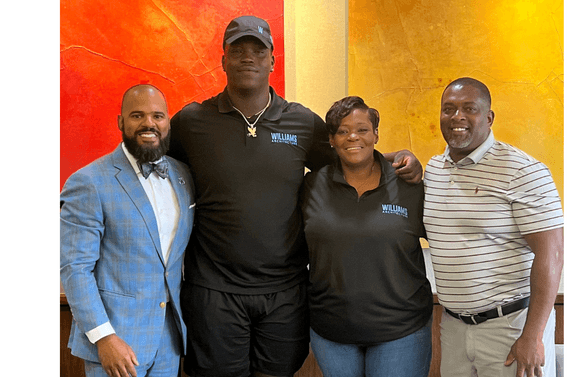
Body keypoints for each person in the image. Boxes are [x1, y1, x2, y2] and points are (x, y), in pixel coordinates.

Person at [168, 15, 423, 377]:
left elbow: (350, 160)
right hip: (214, 291)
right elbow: (153, 168)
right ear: (223, 60)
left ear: (273, 61)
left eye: (258, 51)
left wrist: (400, 159)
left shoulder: (301, 122)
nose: (248, 58)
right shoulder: (192, 121)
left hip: (285, 292)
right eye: (237, 50)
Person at [423, 77, 564, 377]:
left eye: (468, 109)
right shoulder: (434, 169)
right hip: (453, 326)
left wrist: (533, 336)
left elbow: (551, 255)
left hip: (511, 327)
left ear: (489, 118)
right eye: (448, 109)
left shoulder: (523, 170)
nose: (457, 117)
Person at [60, 84, 196, 377]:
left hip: (169, 340)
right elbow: (75, 269)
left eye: (158, 116)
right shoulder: (89, 182)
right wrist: (104, 337)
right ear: (121, 122)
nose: (149, 123)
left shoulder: (183, 175)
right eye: (137, 115)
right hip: (114, 343)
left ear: (167, 122)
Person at [301, 96, 433, 377]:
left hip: (402, 331)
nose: (353, 137)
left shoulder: (409, 185)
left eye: (362, 129)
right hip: (331, 331)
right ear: (331, 140)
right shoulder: (311, 186)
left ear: (376, 134)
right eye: (342, 131)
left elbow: (450, 239)